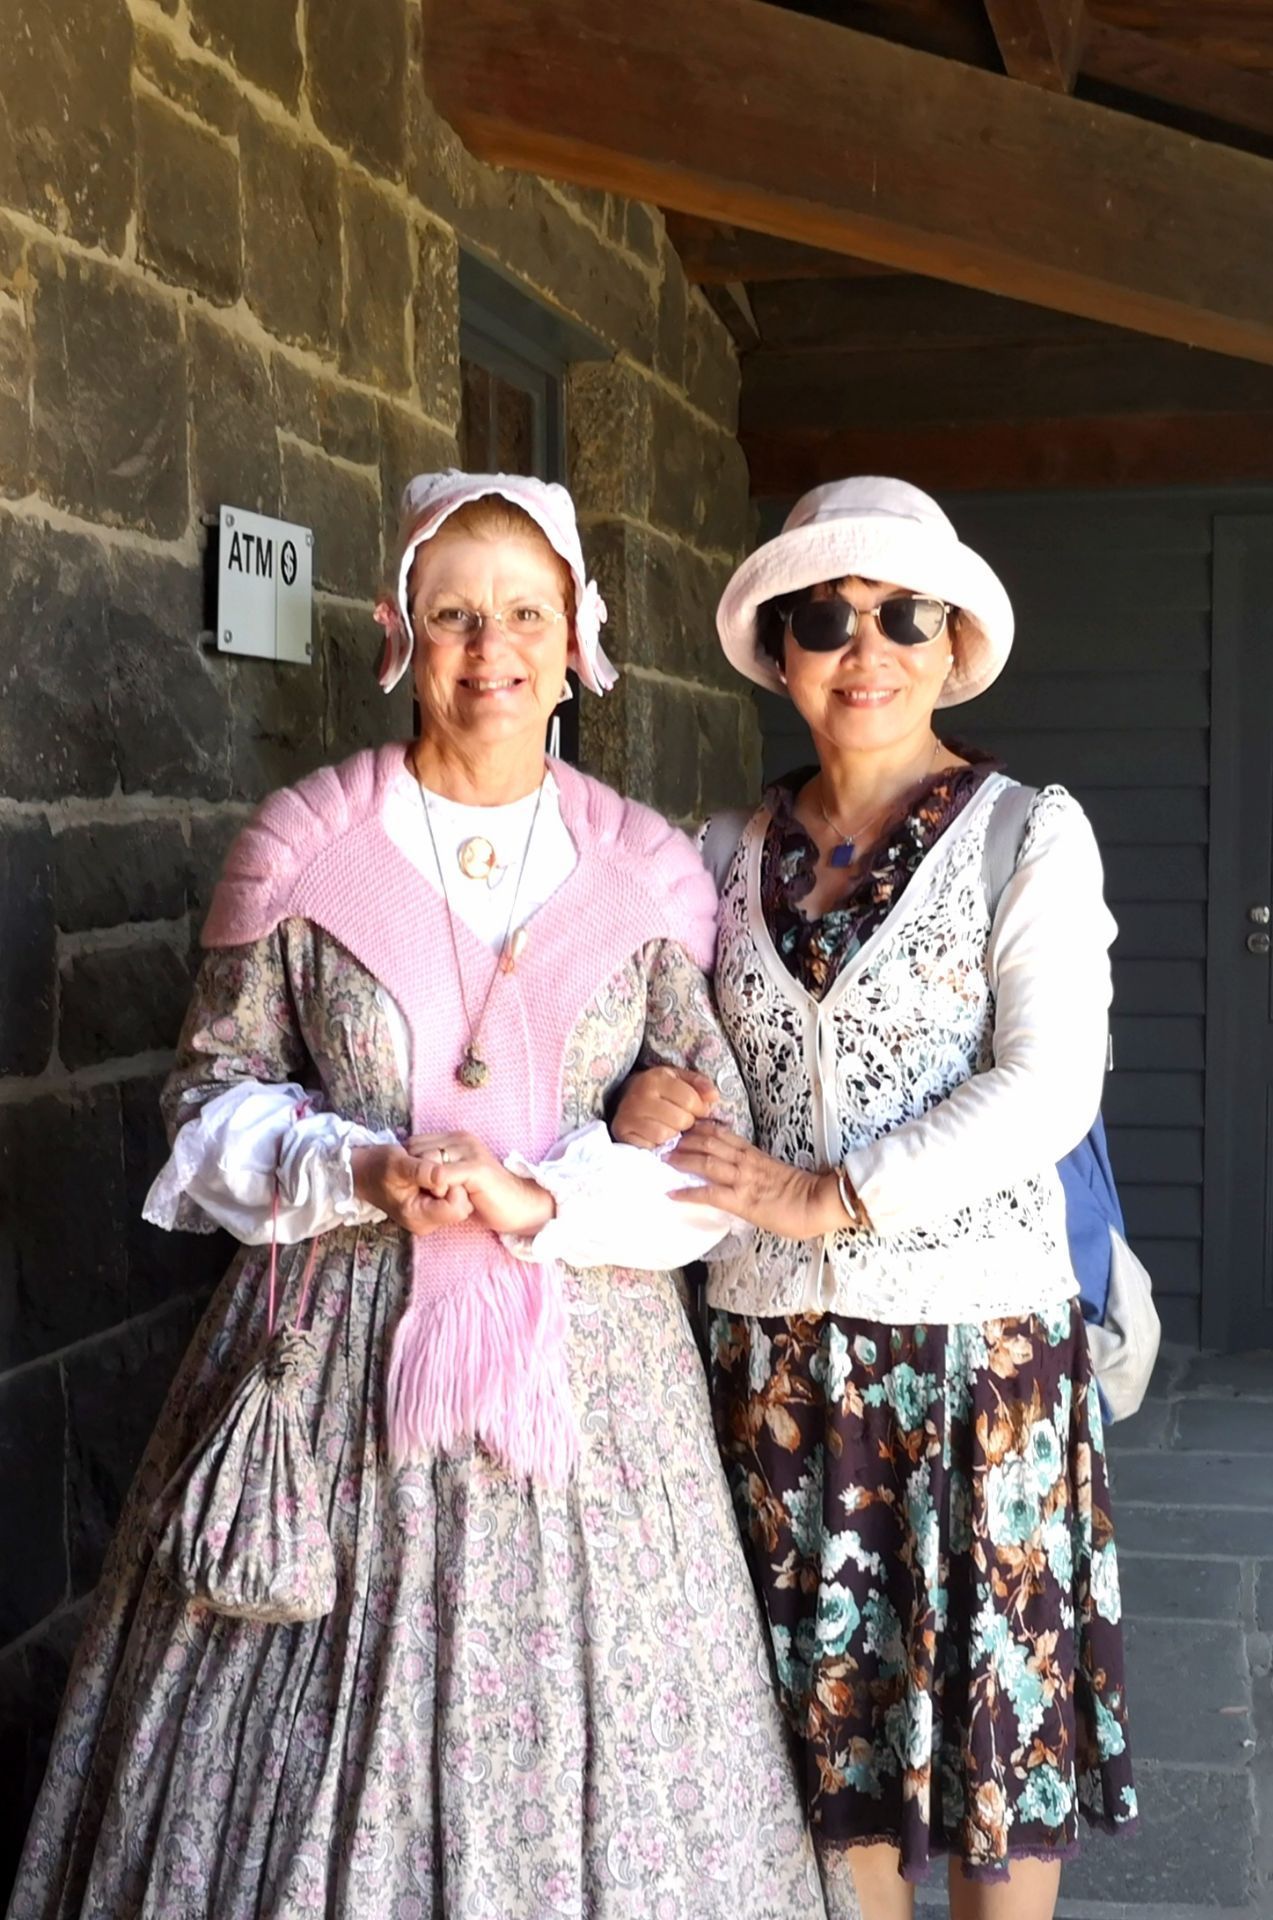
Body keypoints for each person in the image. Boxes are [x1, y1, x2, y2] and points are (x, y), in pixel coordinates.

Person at [8, 471, 823, 1920]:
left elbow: (712, 1152)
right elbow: (208, 1097)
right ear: (399, 632)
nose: (489, 647)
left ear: (577, 640)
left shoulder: (642, 874)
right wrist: (361, 1168)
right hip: (344, 1363)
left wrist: (544, 1197)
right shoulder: (302, 850)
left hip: (587, 1398)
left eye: (524, 613)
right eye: (453, 614)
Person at [613, 477, 1137, 1920]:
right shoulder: (712, 854)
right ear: (779, 652)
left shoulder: (1027, 834)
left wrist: (830, 1195)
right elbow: (648, 1044)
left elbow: (1048, 1085)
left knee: (992, 1751)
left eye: (905, 616)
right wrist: (639, 1096)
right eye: (826, 619)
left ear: (952, 643)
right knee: (820, 1749)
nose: (868, 649)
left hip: (977, 1368)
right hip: (774, 1371)